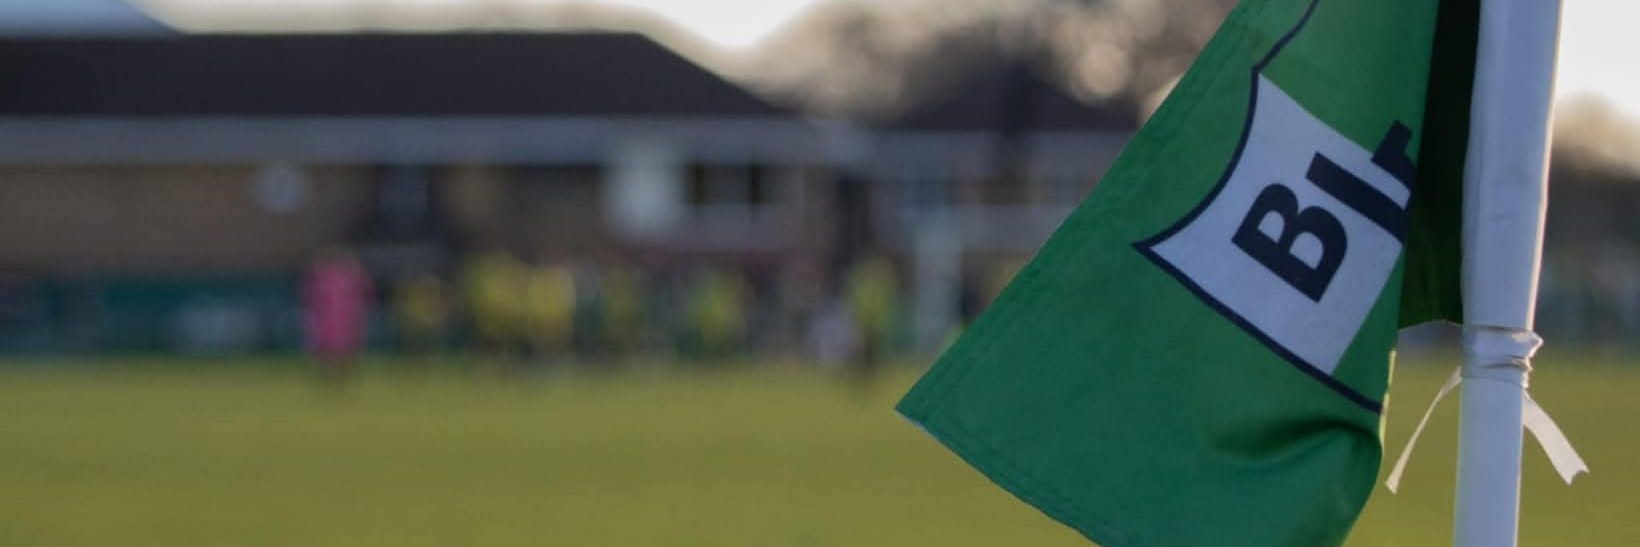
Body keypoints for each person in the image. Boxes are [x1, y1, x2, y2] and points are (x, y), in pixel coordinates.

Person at [303, 249, 374, 384]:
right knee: (326, 346)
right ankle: (328, 376)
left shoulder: (350, 278)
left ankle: (343, 376)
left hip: (346, 318)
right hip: (328, 318)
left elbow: (365, 292)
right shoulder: (322, 278)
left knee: (347, 347)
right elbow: (310, 296)